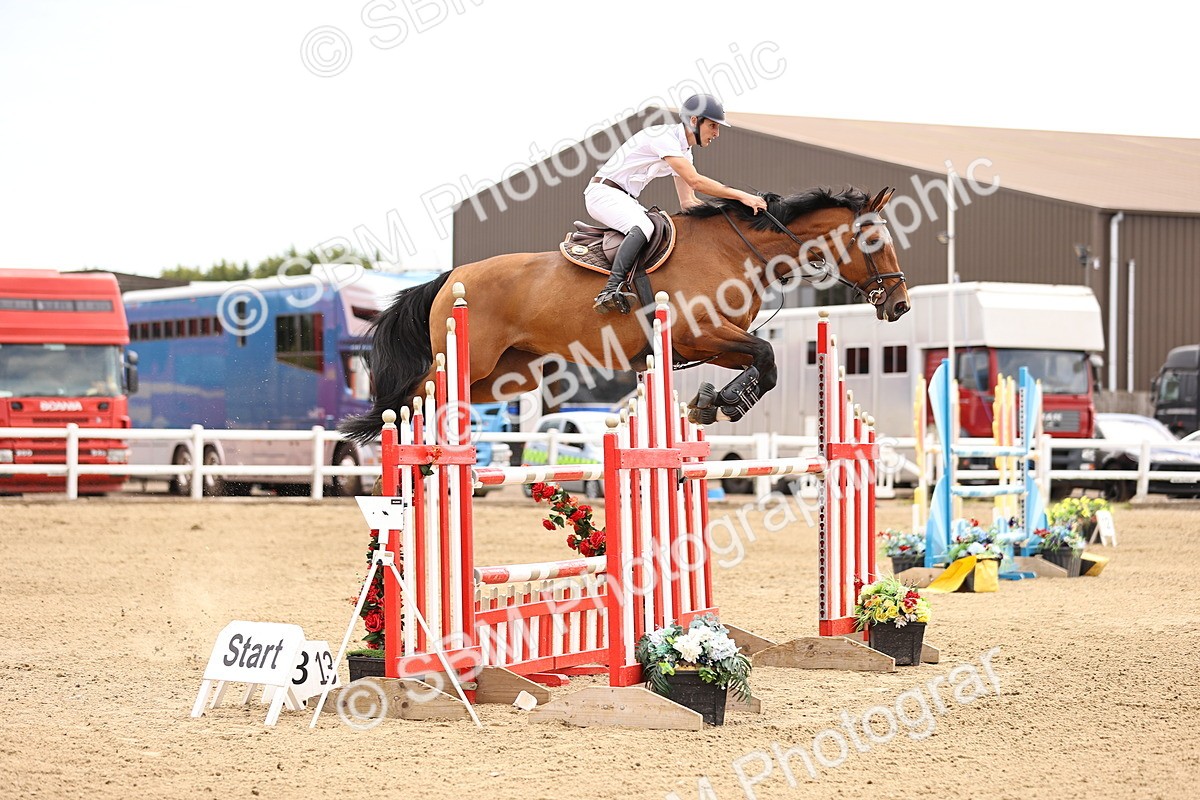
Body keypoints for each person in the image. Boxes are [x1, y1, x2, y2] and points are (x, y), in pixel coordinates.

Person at [586, 93, 768, 314]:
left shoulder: (684, 152)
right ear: (694, 120)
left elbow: (688, 202)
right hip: (603, 194)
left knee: (660, 228)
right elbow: (695, 181)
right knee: (645, 227)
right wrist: (741, 196)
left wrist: (727, 216)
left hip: (622, 197)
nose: (716, 133)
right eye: (713, 125)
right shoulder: (664, 137)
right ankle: (610, 289)